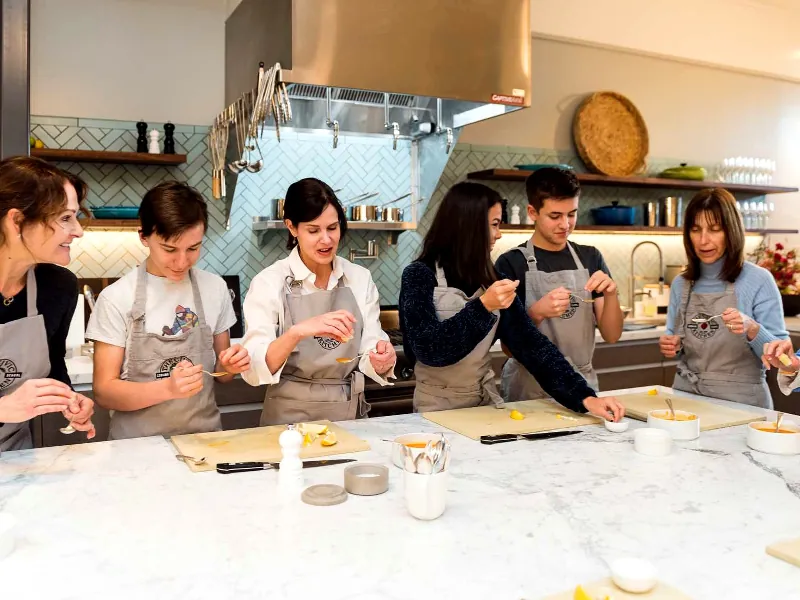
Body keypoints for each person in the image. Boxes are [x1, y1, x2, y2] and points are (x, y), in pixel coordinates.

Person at [399, 181, 624, 420]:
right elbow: (428, 350)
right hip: (436, 406)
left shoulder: (493, 279)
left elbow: (533, 347)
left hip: (485, 402)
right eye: (495, 224)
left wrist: (585, 398)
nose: (499, 233)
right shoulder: (419, 275)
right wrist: (483, 307)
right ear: (470, 227)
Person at [86, 182, 250, 439]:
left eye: (193, 248)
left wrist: (231, 366)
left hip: (205, 442)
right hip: (136, 449)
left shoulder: (215, 289)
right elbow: (104, 392)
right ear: (144, 237)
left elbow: (222, 375)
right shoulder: (116, 298)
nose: (182, 261)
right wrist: (167, 389)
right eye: (170, 249)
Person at [241, 178, 396, 425]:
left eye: (332, 228)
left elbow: (371, 346)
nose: (326, 240)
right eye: (313, 230)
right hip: (287, 424)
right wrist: (297, 332)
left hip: (348, 416)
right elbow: (253, 367)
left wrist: (381, 359)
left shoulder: (359, 278)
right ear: (292, 227)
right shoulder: (269, 282)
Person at [495, 167, 622, 401]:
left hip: (583, 386)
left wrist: (612, 294)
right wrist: (536, 313)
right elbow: (508, 348)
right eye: (555, 216)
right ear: (533, 212)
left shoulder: (591, 257)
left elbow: (612, 335)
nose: (565, 224)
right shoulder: (511, 263)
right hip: (530, 388)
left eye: (571, 214)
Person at [659, 188, 787, 408]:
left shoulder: (758, 280)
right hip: (687, 399)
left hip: (743, 404)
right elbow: (676, 338)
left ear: (731, 231)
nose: (703, 240)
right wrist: (671, 344)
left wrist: (752, 328)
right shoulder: (681, 284)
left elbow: (780, 356)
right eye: (695, 229)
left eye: (715, 229)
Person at [0, 156, 95, 450]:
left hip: (14, 456)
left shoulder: (57, 287)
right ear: (17, 221)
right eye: (65, 218)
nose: (78, 231)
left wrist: (67, 398)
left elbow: (52, 364)